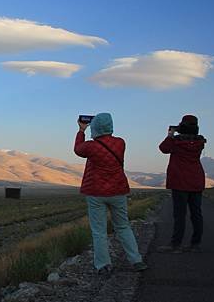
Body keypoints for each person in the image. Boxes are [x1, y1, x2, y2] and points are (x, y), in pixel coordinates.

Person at [74, 113, 147, 274]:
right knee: (123, 226)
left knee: (99, 231)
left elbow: (78, 149)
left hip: (95, 192)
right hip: (118, 191)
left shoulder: (91, 146)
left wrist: (81, 130)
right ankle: (136, 260)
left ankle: (103, 265)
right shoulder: (120, 143)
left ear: (95, 127)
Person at [158, 114, 206, 253]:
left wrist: (171, 134)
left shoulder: (176, 142)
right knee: (196, 213)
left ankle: (176, 245)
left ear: (182, 126)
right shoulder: (200, 142)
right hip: (196, 181)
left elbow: (163, 148)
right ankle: (195, 244)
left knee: (179, 215)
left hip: (179, 181)